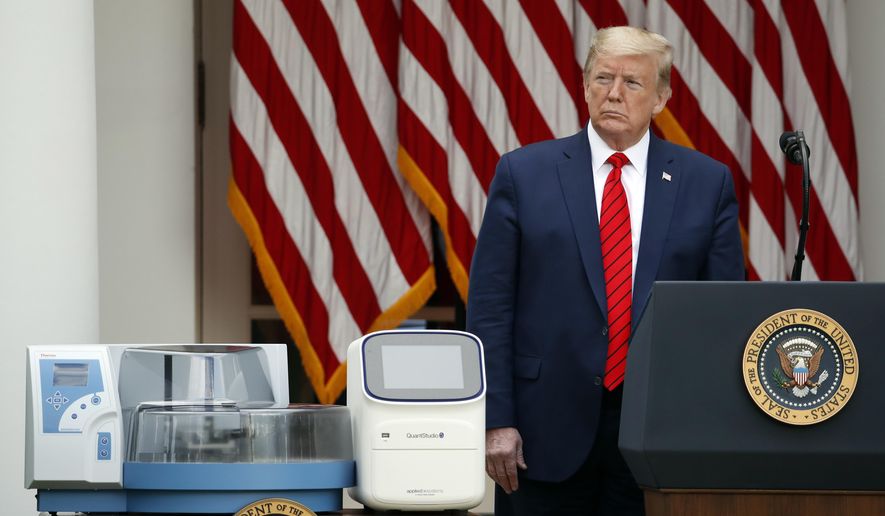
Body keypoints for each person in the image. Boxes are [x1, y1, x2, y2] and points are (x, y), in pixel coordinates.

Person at [466, 26, 745, 515]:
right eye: (603, 78)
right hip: (540, 434)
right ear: (585, 86)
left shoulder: (706, 183)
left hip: (660, 433)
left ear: (661, 97)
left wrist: (711, 428)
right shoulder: (523, 173)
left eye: (632, 83)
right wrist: (496, 419)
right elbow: (491, 306)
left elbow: (721, 317)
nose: (614, 93)